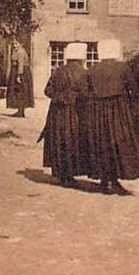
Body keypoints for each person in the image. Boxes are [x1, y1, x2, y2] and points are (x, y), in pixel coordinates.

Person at [82, 39, 139, 195]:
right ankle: (114, 180)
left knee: (102, 143)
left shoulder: (92, 70)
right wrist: (133, 111)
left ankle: (105, 181)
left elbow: (84, 93)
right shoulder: (123, 68)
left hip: (97, 112)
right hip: (119, 110)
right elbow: (134, 90)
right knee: (119, 142)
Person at [39, 42, 88, 187]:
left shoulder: (57, 71)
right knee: (73, 141)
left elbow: (47, 91)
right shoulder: (84, 73)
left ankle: (60, 173)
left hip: (56, 112)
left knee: (58, 140)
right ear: (81, 57)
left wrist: (59, 97)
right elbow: (85, 94)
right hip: (75, 112)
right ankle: (70, 174)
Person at [5, 38, 33, 117]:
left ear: (21, 44)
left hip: (21, 73)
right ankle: (20, 110)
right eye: (13, 44)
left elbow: (20, 64)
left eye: (16, 44)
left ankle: (20, 111)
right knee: (19, 91)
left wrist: (19, 76)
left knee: (20, 91)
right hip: (18, 72)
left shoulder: (20, 52)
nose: (14, 45)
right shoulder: (17, 51)